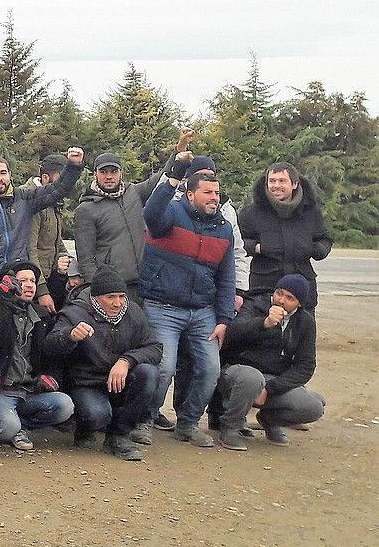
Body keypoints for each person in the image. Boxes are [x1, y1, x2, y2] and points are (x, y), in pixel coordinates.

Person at [141, 160, 237, 447]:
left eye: (217, 193)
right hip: (162, 307)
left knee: (210, 370)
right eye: (207, 193)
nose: (214, 198)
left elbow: (226, 277)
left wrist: (223, 319)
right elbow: (150, 213)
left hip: (203, 312)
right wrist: (172, 177)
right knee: (164, 368)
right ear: (190, 194)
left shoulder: (224, 229)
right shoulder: (169, 214)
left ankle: (188, 423)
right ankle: (143, 420)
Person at [42, 268, 163, 461]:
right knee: (97, 415)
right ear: (96, 298)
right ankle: (84, 427)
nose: (117, 303)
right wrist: (70, 335)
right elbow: (49, 346)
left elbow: (154, 347)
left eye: (122, 296)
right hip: (86, 383)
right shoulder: (74, 313)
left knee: (149, 374)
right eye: (110, 297)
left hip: (121, 379)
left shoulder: (133, 311)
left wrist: (126, 361)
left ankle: (119, 436)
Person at [211, 275, 324, 450]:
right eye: (279, 293)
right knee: (252, 379)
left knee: (314, 406)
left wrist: (272, 388)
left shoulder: (305, 322)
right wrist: (264, 323)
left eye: (290, 298)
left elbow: (306, 366)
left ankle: (269, 420)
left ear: (299, 304)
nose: (281, 300)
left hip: (272, 380)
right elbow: (232, 334)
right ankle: (231, 427)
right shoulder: (255, 304)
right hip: (237, 372)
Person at [0, 149, 83, 306]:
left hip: (19, 284)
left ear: (9, 175)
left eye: (3, 173)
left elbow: (56, 190)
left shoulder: (23, 198)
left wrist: (73, 165)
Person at [0, 262, 74, 450]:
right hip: (2, 390)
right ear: (8, 284)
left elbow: (51, 354)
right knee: (7, 427)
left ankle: (20, 428)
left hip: (30, 390)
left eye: (32, 280)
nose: (30, 285)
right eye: (23, 280)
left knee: (65, 405)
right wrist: (5, 300)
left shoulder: (42, 316)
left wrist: (52, 377)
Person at [72, 149, 170, 301]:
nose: (109, 176)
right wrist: (99, 290)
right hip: (115, 290)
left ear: (121, 173)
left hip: (147, 283)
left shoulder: (134, 193)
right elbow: (86, 259)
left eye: (113, 171)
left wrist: (178, 151)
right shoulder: (85, 209)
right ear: (95, 175)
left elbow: (161, 178)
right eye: (103, 172)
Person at [239, 163, 333, 309]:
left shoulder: (311, 212)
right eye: (272, 181)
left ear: (294, 184)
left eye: (282, 181)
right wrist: (258, 248)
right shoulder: (251, 213)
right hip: (264, 287)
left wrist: (316, 249)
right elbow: (236, 242)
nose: (276, 185)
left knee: (302, 331)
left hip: (302, 289)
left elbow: (325, 238)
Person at [27, 153, 75, 307]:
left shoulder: (55, 202)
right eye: (62, 180)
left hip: (51, 277)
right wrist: (41, 291)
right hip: (32, 283)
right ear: (46, 178)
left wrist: (65, 259)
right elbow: (30, 248)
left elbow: (56, 240)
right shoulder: (31, 200)